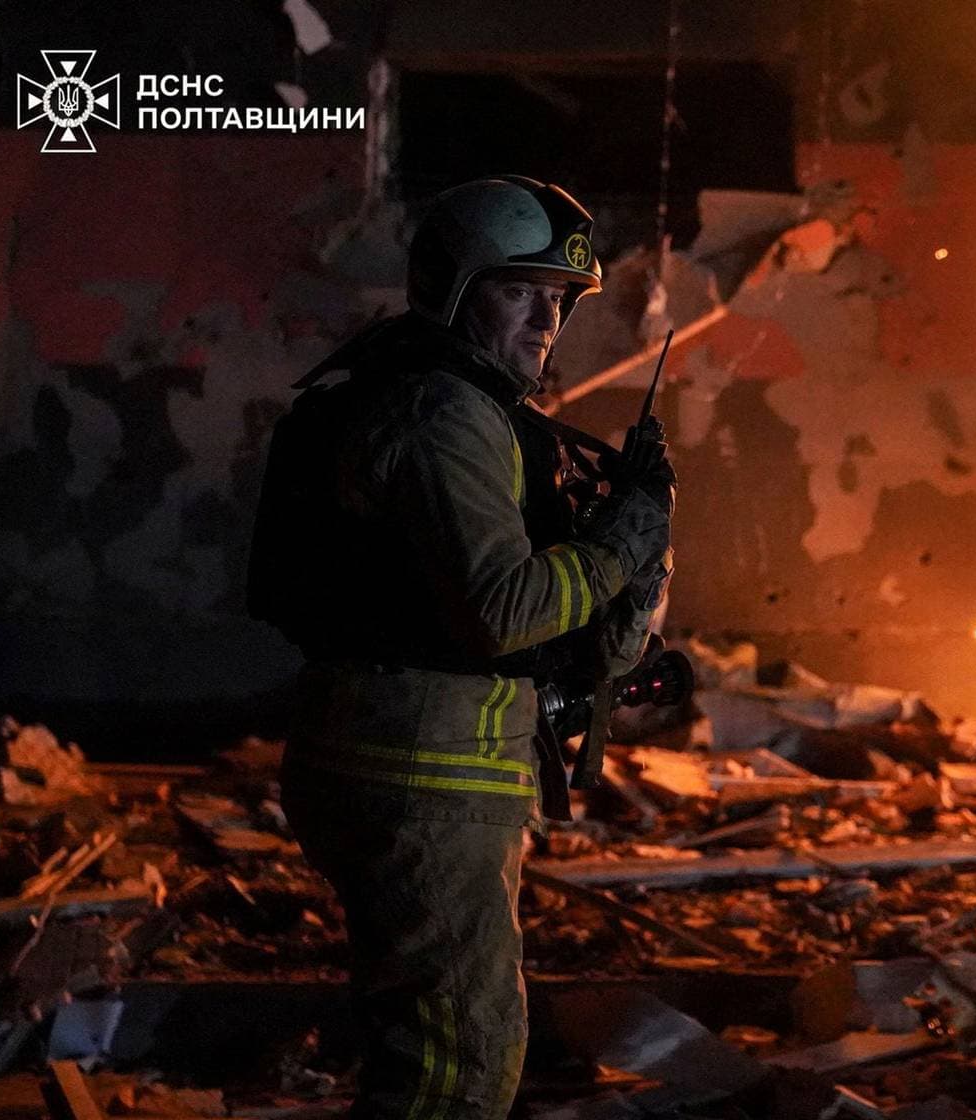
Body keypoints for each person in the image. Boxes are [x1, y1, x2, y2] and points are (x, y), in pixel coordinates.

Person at [247, 175, 673, 1120]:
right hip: (422, 775)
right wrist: (615, 547)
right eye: (520, 290)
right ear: (452, 284)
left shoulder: (462, 408)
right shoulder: (444, 412)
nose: (546, 319)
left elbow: (561, 637)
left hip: (421, 764)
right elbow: (505, 612)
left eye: (559, 299)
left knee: (434, 1049)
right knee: (458, 1068)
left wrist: (631, 561)